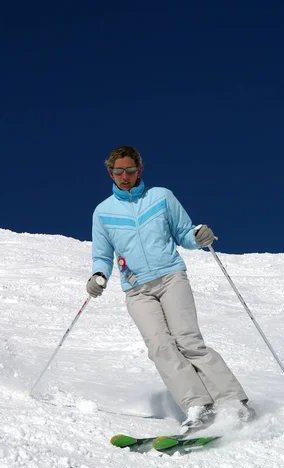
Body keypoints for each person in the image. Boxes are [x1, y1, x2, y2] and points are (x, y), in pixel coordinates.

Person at [87, 146, 250, 429]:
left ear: (139, 170)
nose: (124, 177)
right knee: (160, 346)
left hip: (171, 278)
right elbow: (102, 254)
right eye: (118, 172)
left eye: (130, 170)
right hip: (137, 290)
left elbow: (184, 232)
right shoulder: (103, 213)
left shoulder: (161, 197)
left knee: (188, 341)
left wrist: (198, 237)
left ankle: (234, 402)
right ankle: (198, 405)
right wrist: (98, 275)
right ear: (110, 173)